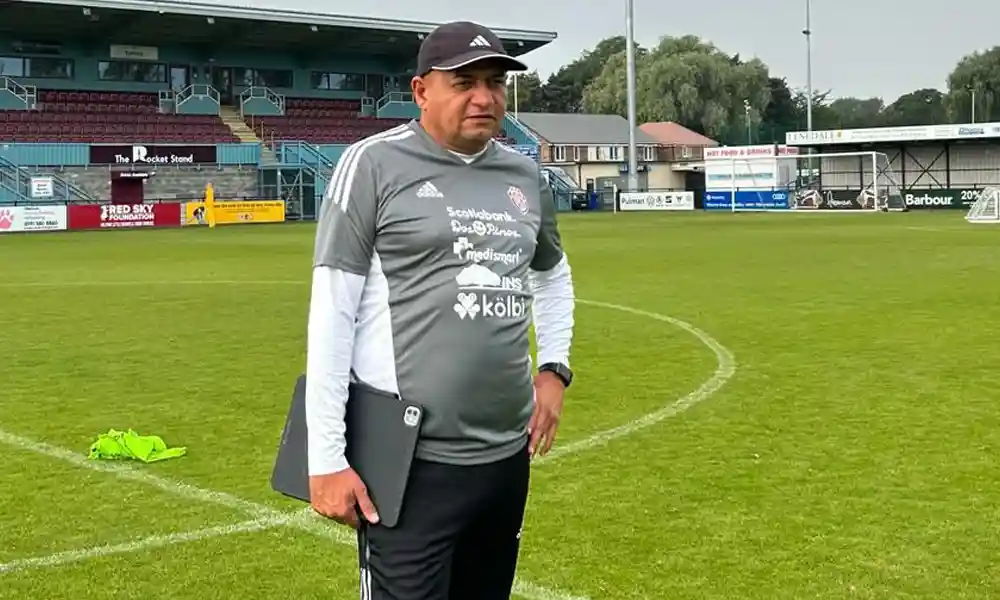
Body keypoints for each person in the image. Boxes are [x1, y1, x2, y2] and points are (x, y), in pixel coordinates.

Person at [304, 20, 576, 600]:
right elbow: (331, 314)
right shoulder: (372, 164)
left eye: (496, 83)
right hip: (409, 464)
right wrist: (324, 457)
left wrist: (554, 369)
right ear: (421, 90)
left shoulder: (525, 173)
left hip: (505, 458)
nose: (485, 97)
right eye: (465, 82)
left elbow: (552, 274)